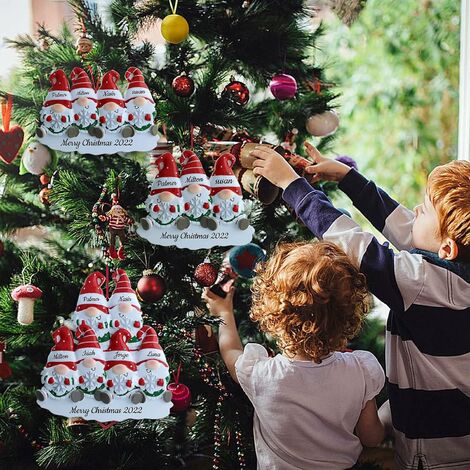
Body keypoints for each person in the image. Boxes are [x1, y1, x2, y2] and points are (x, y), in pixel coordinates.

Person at [249, 143, 470, 470]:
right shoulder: (454, 271)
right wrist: (350, 179)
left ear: (448, 247)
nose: (415, 211)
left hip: (439, 456)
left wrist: (292, 186)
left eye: (424, 209)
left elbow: (354, 245)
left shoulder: (427, 284)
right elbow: (407, 228)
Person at [203, 241, 385, 470]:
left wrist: (223, 311)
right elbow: (371, 437)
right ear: (348, 315)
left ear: (273, 314)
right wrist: (387, 415)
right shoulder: (361, 370)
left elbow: (230, 350)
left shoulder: (261, 375)